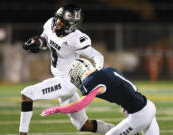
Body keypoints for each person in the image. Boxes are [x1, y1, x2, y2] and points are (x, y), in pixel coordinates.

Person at [19, 3, 114, 135]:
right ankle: (123, 132)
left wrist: (96, 72)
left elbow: (97, 55)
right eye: (57, 18)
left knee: (27, 94)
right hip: (59, 78)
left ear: (72, 25)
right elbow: (46, 38)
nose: (57, 23)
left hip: (68, 81)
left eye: (62, 22)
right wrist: (38, 42)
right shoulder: (49, 24)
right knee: (83, 125)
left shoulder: (76, 39)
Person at [41, 58, 160, 135]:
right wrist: (127, 104)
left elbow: (79, 105)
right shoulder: (107, 70)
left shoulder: (91, 81)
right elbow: (129, 85)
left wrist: (57, 109)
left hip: (140, 114)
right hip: (147, 105)